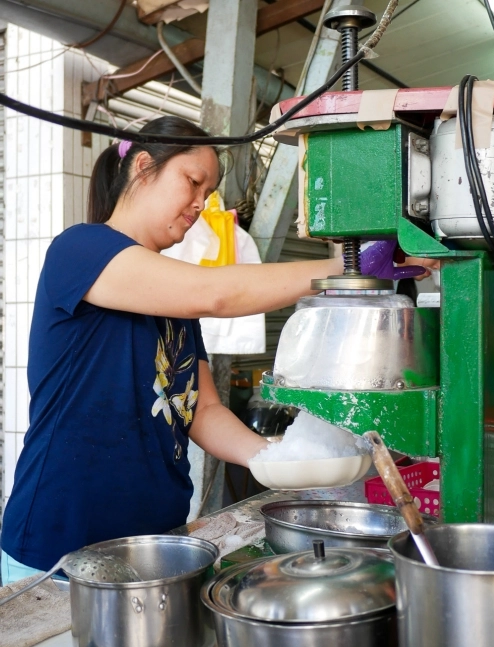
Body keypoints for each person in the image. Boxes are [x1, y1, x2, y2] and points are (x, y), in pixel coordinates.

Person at [0, 116, 435, 584]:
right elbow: (215, 294)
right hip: (60, 544)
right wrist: (345, 268)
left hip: (154, 544)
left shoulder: (172, 301)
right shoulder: (81, 249)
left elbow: (201, 410)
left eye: (208, 195)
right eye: (192, 182)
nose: (199, 205)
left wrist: (272, 458)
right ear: (143, 166)